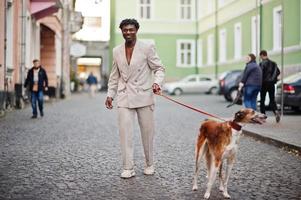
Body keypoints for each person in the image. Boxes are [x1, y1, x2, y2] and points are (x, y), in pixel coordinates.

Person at [105, 18, 165, 178]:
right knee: (125, 133)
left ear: (136, 30)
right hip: (124, 96)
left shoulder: (147, 47)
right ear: (122, 32)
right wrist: (110, 94)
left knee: (147, 133)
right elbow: (114, 75)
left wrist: (157, 83)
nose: (128, 32)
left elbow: (159, 68)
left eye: (131, 29)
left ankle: (149, 164)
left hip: (144, 95)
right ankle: (128, 167)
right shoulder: (116, 51)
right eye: (125, 30)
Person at [259, 50, 281, 123]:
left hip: (264, 84)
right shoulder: (274, 63)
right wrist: (273, 78)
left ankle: (263, 116)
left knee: (262, 100)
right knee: (272, 99)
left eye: (260, 56)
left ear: (262, 55)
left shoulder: (261, 64)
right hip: (271, 84)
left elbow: (260, 74)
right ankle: (276, 111)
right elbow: (278, 71)